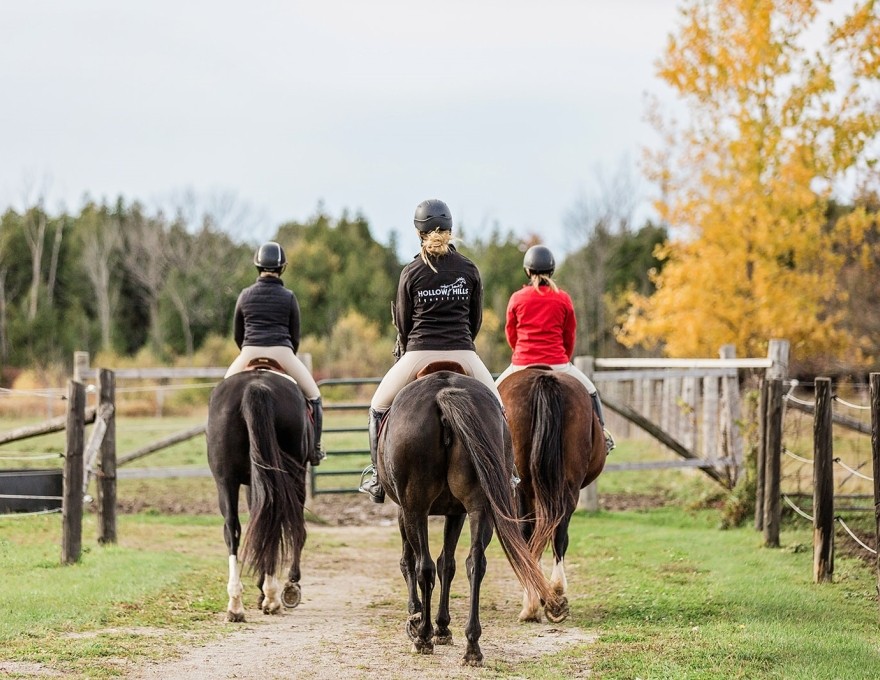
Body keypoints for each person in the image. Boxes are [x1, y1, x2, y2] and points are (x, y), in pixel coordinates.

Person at [359, 199, 503, 503]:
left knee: (377, 407)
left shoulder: (411, 272)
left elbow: (403, 323)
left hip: (419, 353)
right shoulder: (469, 269)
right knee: (499, 408)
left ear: (418, 232)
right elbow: (475, 319)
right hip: (464, 352)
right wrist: (461, 340)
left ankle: (376, 476)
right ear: (450, 229)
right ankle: (509, 472)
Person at [495, 244, 615, 453]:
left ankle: (490, 438)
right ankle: (603, 435)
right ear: (551, 270)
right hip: (557, 362)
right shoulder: (563, 298)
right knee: (592, 392)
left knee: (492, 394)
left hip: (522, 363)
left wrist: (521, 353)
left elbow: (510, 334)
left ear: (527, 271)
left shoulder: (517, 298)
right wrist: (563, 360)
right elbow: (569, 335)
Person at [224, 241, 325, 466]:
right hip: (282, 352)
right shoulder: (288, 297)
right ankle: (316, 449)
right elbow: (295, 335)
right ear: (282, 268)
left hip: (248, 351)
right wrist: (287, 357)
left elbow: (237, 334)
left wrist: (248, 352)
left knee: (220, 396)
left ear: (257, 266)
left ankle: (216, 444)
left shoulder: (244, 295)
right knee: (315, 396)